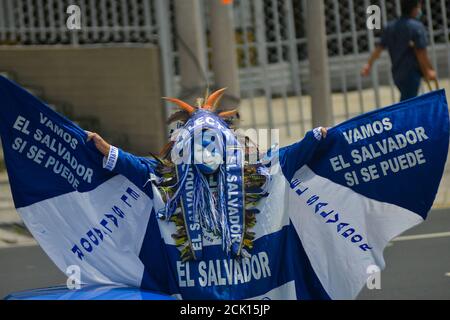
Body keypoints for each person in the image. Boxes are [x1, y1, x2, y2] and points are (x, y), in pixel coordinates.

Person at [361, 0, 437, 101]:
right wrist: (428, 70)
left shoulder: (390, 27)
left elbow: (379, 48)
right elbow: (421, 52)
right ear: (414, 9)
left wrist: (368, 64)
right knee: (408, 104)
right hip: (411, 72)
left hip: (397, 73)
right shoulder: (416, 27)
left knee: (408, 100)